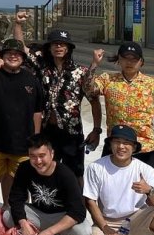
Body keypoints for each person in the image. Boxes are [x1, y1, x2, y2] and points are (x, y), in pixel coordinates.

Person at [13, 14, 103, 184]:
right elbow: (21, 48)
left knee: (75, 174)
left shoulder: (81, 72)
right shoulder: (42, 67)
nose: (59, 47)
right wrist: (18, 24)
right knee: (44, 170)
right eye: (55, 44)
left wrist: (96, 130)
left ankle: (76, 208)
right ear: (49, 47)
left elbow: (94, 100)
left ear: (68, 48)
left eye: (62, 44)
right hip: (47, 130)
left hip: (71, 132)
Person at [89, 42, 154, 174]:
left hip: (144, 149)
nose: (130, 62)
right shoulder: (107, 80)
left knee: (149, 191)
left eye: (134, 59)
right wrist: (94, 64)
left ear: (141, 62)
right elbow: (89, 89)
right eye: (125, 58)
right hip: (115, 147)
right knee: (108, 191)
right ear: (118, 60)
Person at [0, 39, 44, 210]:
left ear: (23, 57)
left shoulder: (32, 79)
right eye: (9, 53)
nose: (13, 56)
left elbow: (37, 112)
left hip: (22, 143)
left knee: (16, 183)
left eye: (17, 54)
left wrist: (35, 138)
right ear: (2, 56)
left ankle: (11, 216)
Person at [4, 134, 91, 235]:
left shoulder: (66, 174)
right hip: (39, 214)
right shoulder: (25, 168)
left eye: (42, 156)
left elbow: (78, 211)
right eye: (33, 156)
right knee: (8, 216)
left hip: (63, 216)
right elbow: (16, 198)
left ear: (52, 153)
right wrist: (23, 224)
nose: (38, 161)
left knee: (83, 232)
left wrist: (50, 231)